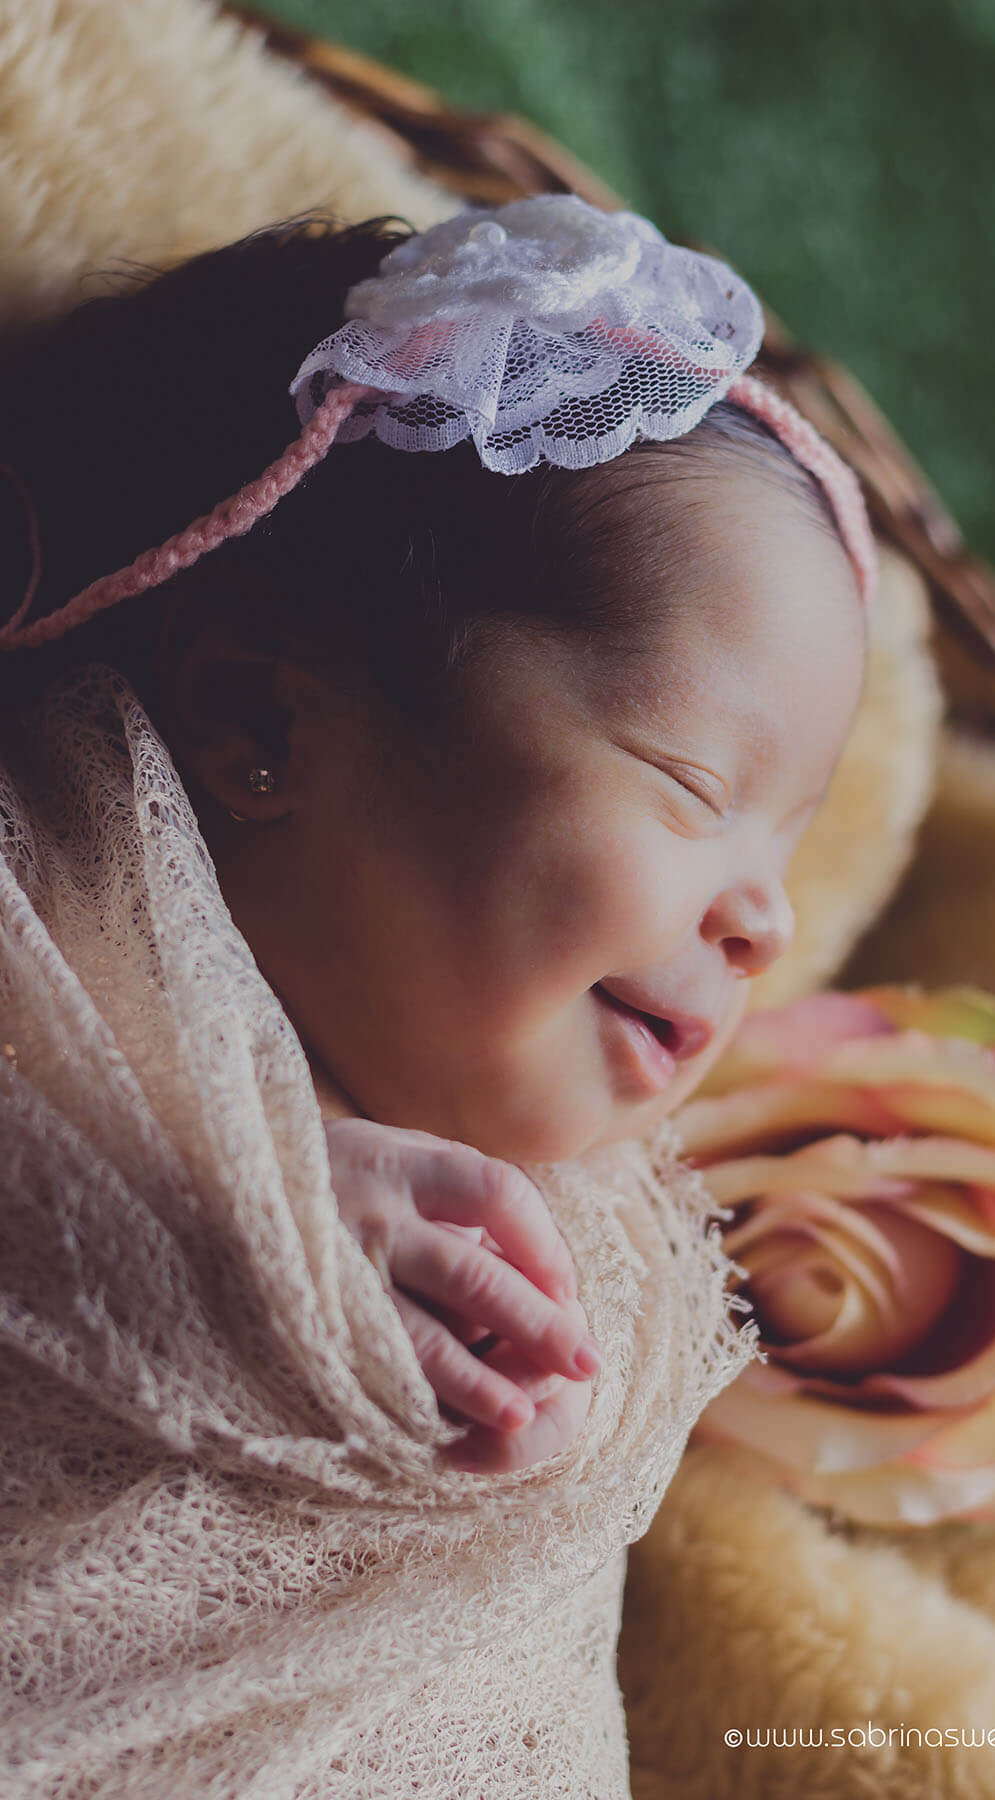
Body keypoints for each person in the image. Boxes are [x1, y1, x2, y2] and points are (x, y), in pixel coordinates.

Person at [0, 195, 875, 1796]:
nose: (766, 918)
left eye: (791, 842)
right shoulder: (46, 936)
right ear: (260, 719)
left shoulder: (617, 1246)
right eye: (696, 784)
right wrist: (169, 1195)